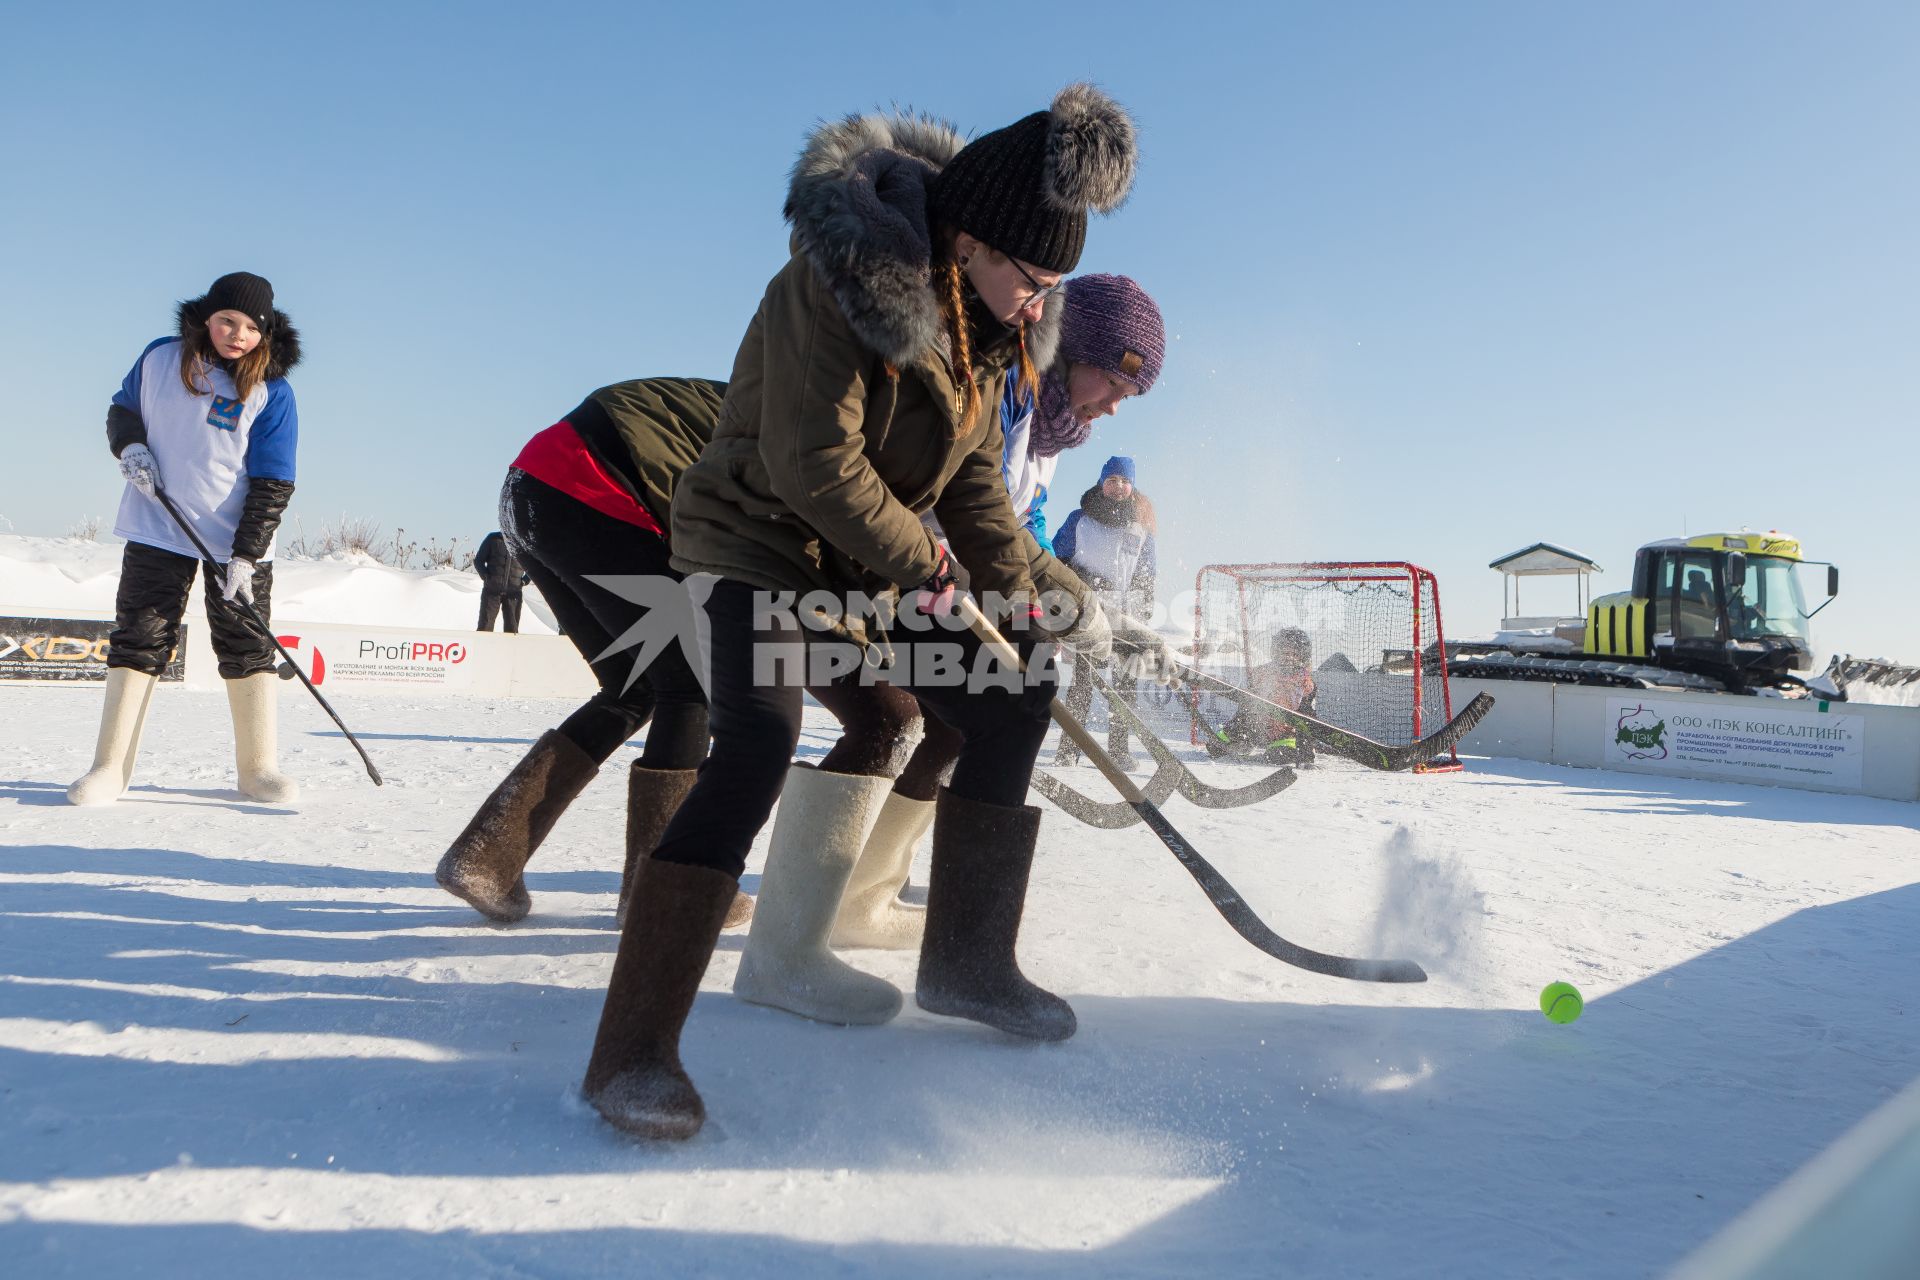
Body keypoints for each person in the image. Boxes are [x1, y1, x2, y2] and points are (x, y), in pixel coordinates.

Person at [582, 86, 1138, 1141]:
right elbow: (812, 462)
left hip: (866, 560)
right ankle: (633, 1049)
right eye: (1035, 278)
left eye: (1055, 285)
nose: (1042, 304)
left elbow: (979, 507)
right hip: (753, 542)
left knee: (1014, 692)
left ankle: (972, 962)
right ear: (970, 239)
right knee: (757, 742)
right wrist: (919, 554)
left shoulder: (985, 335)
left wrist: (1067, 603)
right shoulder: (831, 286)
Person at [772, 273, 1171, 973]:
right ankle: (943, 955)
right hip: (868, 568)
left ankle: (864, 900)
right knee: (998, 707)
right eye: (1110, 384)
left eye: (1126, 399)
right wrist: (1056, 603)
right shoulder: (1005, 389)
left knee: (962, 718)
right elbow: (970, 514)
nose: (1111, 408)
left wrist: (1079, 605)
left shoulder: (1047, 429)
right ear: (1070, 348)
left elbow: (1024, 531)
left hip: (917, 574)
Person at [435, 379, 748, 929]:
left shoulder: (764, 398)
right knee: (689, 685)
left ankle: (487, 856)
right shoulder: (815, 430)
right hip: (593, 489)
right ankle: (661, 890)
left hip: (529, 491)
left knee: (635, 685)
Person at [69, 272, 301, 806]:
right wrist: (129, 448)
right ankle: (109, 768)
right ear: (206, 317)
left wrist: (246, 555)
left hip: (235, 544)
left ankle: (257, 769)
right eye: (226, 320)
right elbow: (123, 409)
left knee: (245, 644)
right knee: (139, 636)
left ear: (265, 334)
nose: (236, 334)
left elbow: (274, 479)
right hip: (158, 526)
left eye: (249, 327)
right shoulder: (160, 357)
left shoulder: (273, 391)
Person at [1052, 454, 1158, 767]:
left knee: (1125, 686)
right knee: (1084, 683)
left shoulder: (1141, 531)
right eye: (1112, 480)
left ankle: (1119, 751)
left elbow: (1146, 574)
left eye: (1125, 481)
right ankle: (1069, 750)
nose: (1118, 486)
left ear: (1133, 487)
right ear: (1102, 482)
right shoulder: (1079, 519)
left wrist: (1144, 606)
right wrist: (1077, 588)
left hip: (1124, 616)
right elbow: (1059, 559)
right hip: (1089, 611)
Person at [1202, 627, 1317, 765]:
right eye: (1284, 652)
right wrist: (1239, 727)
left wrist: (1306, 747)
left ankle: (1284, 746)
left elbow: (1307, 718)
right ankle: (1243, 741)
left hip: (1284, 732)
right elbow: (1245, 704)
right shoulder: (1261, 673)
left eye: (1293, 654)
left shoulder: (1306, 681)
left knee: (1276, 757)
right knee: (1215, 748)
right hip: (1254, 727)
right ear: (1276, 652)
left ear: (1302, 656)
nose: (1288, 658)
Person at [472, 530, 529, 632]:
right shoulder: (493, 538)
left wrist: (525, 580)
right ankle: (483, 648)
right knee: (485, 628)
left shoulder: (523, 542)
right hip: (491, 592)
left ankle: (510, 649)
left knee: (512, 632)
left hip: (514, 594)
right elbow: (478, 561)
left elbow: (535, 566)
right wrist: (486, 577)